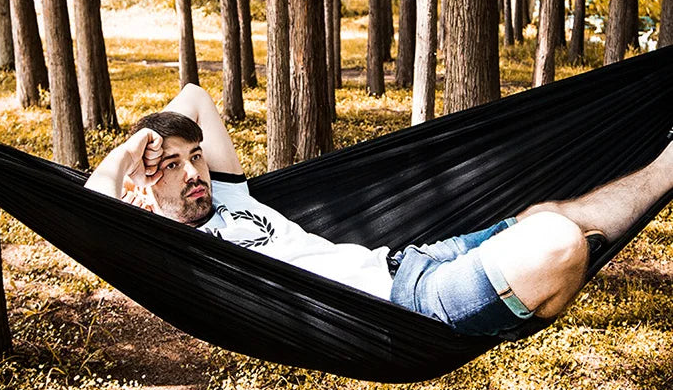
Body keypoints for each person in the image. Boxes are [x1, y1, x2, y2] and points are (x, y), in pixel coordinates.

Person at [86, 84, 673, 339]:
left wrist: (158, 139)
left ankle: (665, 169)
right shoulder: (175, 248)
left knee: (552, 214)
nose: (192, 173)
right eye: (169, 167)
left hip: (409, 263)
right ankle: (536, 283)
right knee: (558, 244)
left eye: (195, 158)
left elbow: (192, 95)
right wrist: (128, 152)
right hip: (402, 310)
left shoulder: (228, 193)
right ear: (142, 183)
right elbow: (84, 211)